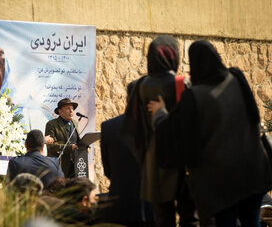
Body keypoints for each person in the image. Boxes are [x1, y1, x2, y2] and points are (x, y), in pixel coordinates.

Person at [148, 40, 272, 226]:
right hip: (253, 171)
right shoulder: (236, 78)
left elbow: (174, 131)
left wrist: (159, 112)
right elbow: (254, 116)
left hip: (222, 184)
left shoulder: (195, 96)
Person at [122, 35, 198, 227]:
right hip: (182, 163)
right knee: (190, 217)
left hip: (154, 163)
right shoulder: (182, 83)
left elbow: (130, 129)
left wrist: (144, 158)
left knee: (163, 219)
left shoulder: (139, 86)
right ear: (175, 56)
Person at [100, 80, 148, 226]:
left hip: (119, 203)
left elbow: (108, 170)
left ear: (126, 99)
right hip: (150, 206)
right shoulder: (158, 124)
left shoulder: (108, 127)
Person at [45, 98, 81, 178]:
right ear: (60, 111)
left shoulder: (74, 122)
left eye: (72, 108)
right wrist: (69, 148)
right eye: (68, 108)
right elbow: (51, 146)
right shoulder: (51, 124)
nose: (71, 111)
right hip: (60, 166)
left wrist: (85, 147)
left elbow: (77, 140)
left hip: (76, 164)